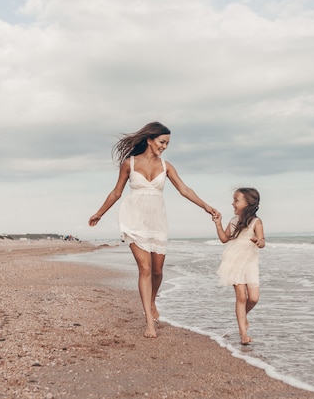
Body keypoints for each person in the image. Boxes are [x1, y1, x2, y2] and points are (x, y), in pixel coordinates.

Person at [89, 122, 218, 338]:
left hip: (157, 221)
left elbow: (184, 189)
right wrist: (99, 213)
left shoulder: (167, 166)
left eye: (167, 143)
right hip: (134, 220)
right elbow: (116, 192)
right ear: (149, 140)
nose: (165, 146)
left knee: (158, 271)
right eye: (162, 142)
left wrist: (207, 207)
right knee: (145, 269)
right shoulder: (129, 164)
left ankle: (152, 300)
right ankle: (149, 320)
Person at [212, 187, 265, 345]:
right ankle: (243, 333)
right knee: (241, 297)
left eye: (236, 200)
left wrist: (258, 241)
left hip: (250, 264)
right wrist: (218, 223)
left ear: (248, 203)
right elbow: (224, 239)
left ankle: (243, 318)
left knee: (254, 298)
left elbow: (262, 241)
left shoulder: (257, 222)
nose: (233, 203)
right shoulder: (234, 221)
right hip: (234, 262)